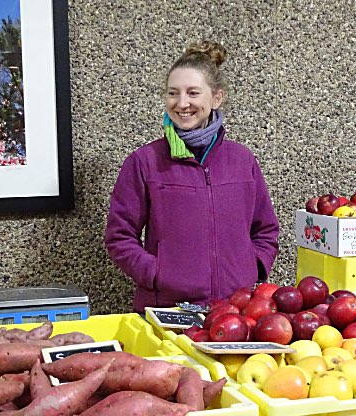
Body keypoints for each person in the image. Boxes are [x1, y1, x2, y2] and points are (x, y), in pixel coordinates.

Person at [105, 41, 279, 313]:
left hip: (235, 311)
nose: (182, 103)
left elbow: (266, 229)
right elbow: (119, 236)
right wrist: (156, 274)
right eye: (173, 93)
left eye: (193, 93)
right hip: (167, 311)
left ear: (216, 98)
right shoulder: (144, 162)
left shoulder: (242, 160)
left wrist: (254, 267)